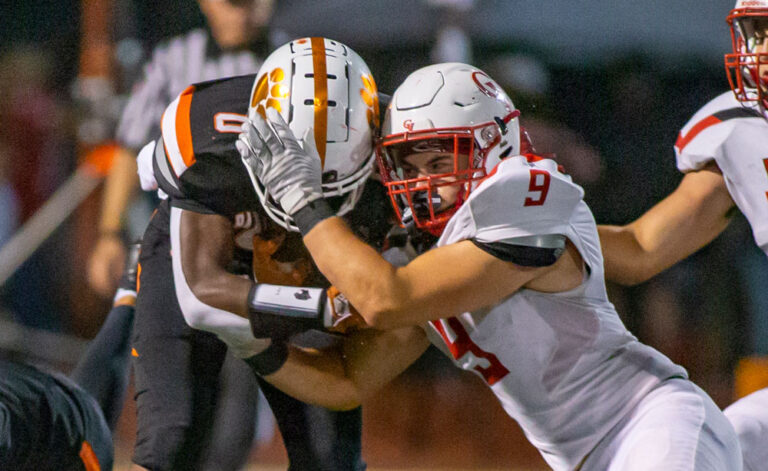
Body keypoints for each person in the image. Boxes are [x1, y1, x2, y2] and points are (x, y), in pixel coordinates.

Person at [236, 62, 743, 470]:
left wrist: (304, 201)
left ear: (493, 145)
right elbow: (347, 382)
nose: (422, 184)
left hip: (650, 425)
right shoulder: (427, 260)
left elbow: (386, 299)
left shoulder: (525, 196)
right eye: (407, 168)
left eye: (439, 163)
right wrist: (247, 342)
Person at [129, 37, 387, 471]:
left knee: (331, 459)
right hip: (208, 265)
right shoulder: (211, 142)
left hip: (309, 268)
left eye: (332, 186)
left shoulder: (394, 147)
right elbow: (202, 290)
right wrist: (326, 307)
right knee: (171, 443)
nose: (308, 196)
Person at [597, 2, 768, 470]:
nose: (762, 49)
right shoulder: (742, 129)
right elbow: (642, 247)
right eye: (758, 32)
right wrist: (540, 234)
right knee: (723, 445)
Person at [0, 246, 140, 470]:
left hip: (74, 445)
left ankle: (131, 294)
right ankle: (130, 294)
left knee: (89, 421)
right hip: (54, 404)